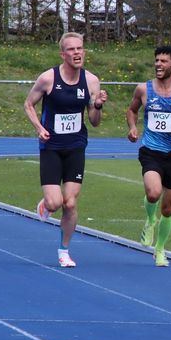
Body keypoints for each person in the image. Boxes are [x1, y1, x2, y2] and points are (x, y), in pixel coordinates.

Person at [24, 31, 107, 268]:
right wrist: (39, 128)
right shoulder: (48, 78)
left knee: (69, 203)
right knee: (54, 203)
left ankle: (64, 251)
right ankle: (46, 205)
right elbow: (28, 104)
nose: (77, 53)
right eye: (71, 49)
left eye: (80, 48)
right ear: (63, 54)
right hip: (51, 146)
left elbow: (94, 121)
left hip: (75, 146)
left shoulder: (91, 81)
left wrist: (97, 105)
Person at [126, 45, 171, 267]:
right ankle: (150, 220)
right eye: (156, 60)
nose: (158, 64)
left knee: (168, 208)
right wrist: (132, 128)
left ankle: (159, 249)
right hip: (151, 150)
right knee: (153, 193)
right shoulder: (143, 89)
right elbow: (132, 110)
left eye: (163, 61)